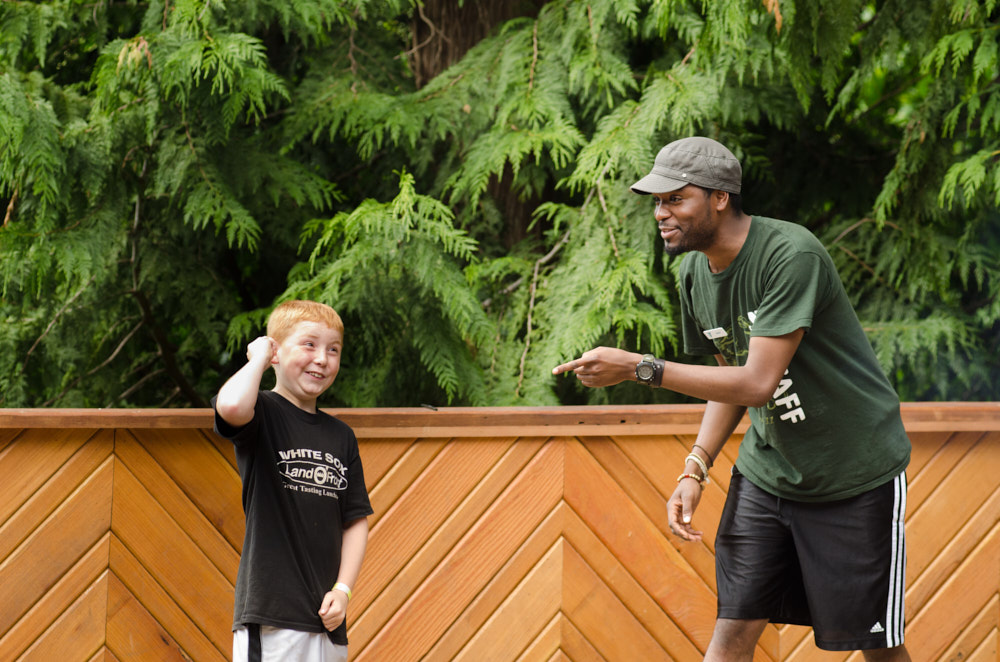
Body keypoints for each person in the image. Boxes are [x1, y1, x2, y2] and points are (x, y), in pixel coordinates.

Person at [552, 137, 912, 661]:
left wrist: (639, 367)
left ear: (720, 197)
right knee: (729, 640)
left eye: (676, 199)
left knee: (876, 649)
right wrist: (694, 467)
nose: (661, 213)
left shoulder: (790, 255)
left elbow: (758, 383)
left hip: (852, 477)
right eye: (657, 201)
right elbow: (729, 380)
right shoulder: (695, 273)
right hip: (768, 478)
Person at [213, 300, 373, 662]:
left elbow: (356, 521)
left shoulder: (341, 436)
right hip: (272, 614)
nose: (322, 358)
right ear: (276, 352)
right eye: (309, 344)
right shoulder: (263, 412)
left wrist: (344, 590)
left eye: (333, 350)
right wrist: (256, 359)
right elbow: (232, 407)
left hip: (327, 621)